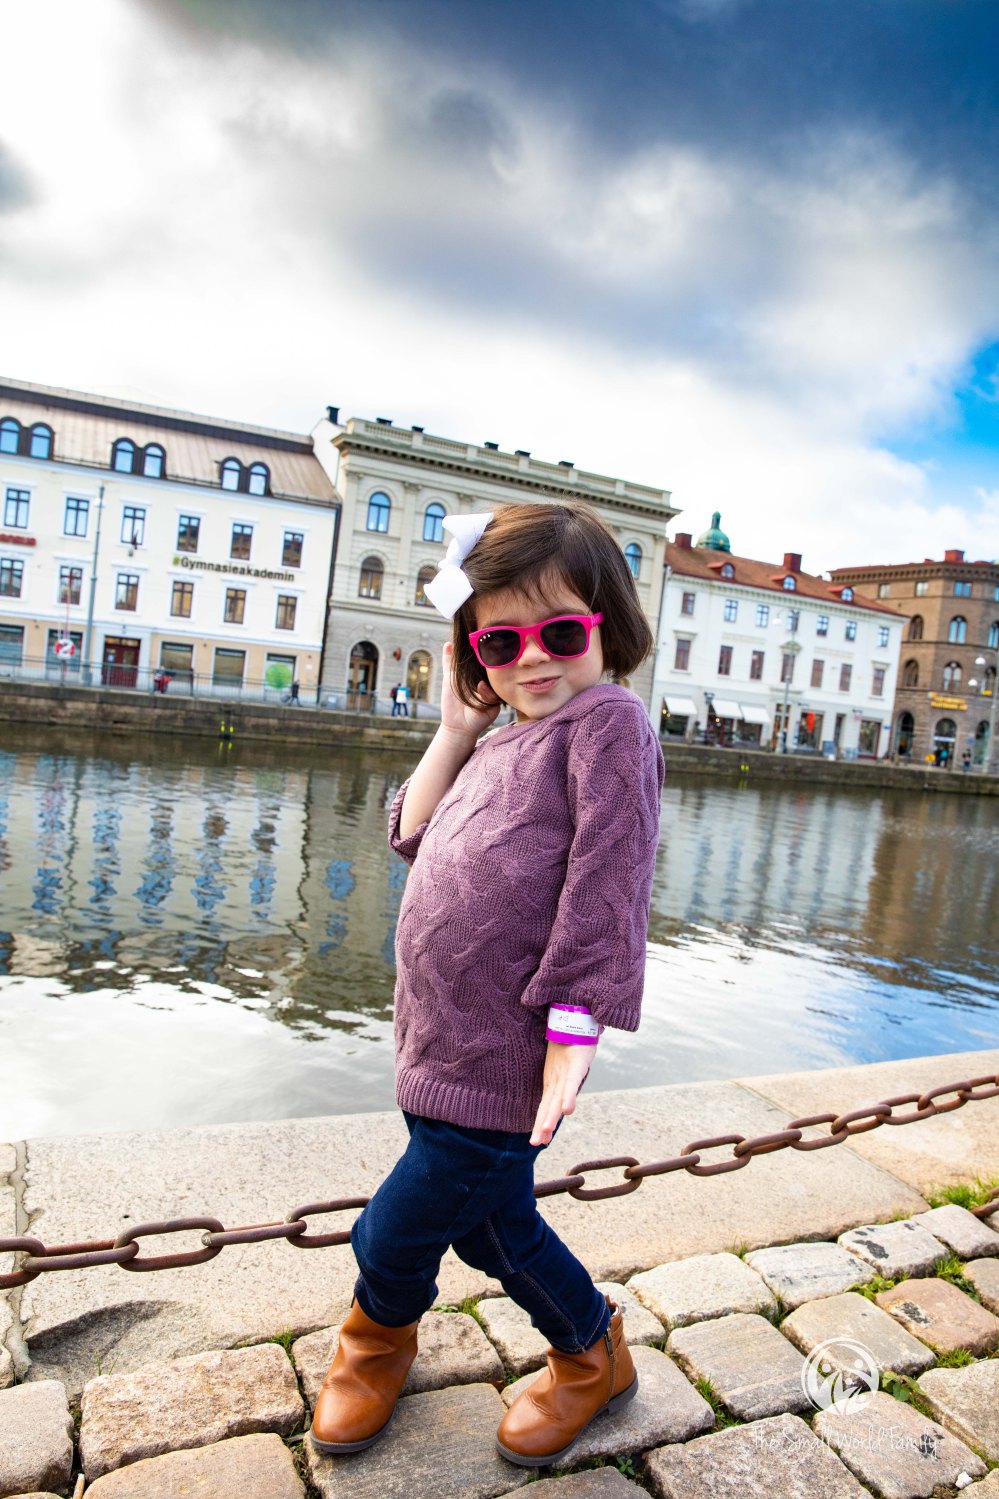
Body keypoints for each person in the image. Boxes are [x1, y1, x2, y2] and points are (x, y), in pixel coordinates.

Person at [310, 502, 665, 1468]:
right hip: (437, 1039)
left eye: (560, 632)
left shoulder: (607, 724)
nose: (531, 658)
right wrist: (455, 727)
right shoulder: (501, 735)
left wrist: (574, 1028)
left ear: (606, 627)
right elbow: (411, 834)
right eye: (500, 641)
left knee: (394, 1232)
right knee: (493, 1228)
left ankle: (374, 1340)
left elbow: (609, 878)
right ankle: (593, 1352)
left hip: (506, 1051)